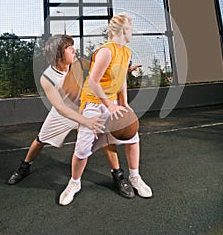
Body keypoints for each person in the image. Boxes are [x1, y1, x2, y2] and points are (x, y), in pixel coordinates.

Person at [59, 14, 153, 206]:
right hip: (93, 103)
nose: (132, 32)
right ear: (123, 30)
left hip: (112, 102)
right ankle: (74, 183)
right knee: (83, 149)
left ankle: (135, 176)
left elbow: (121, 80)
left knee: (133, 137)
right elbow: (93, 81)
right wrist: (109, 105)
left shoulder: (126, 52)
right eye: (131, 28)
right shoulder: (106, 52)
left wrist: (124, 103)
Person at [7, 34, 105, 185]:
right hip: (61, 113)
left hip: (82, 109)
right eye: (68, 47)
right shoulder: (47, 78)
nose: (74, 50)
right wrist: (86, 121)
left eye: (73, 46)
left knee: (105, 139)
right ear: (58, 54)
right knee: (40, 140)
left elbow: (101, 71)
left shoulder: (78, 64)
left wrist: (125, 71)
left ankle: (117, 173)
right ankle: (25, 167)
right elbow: (60, 107)